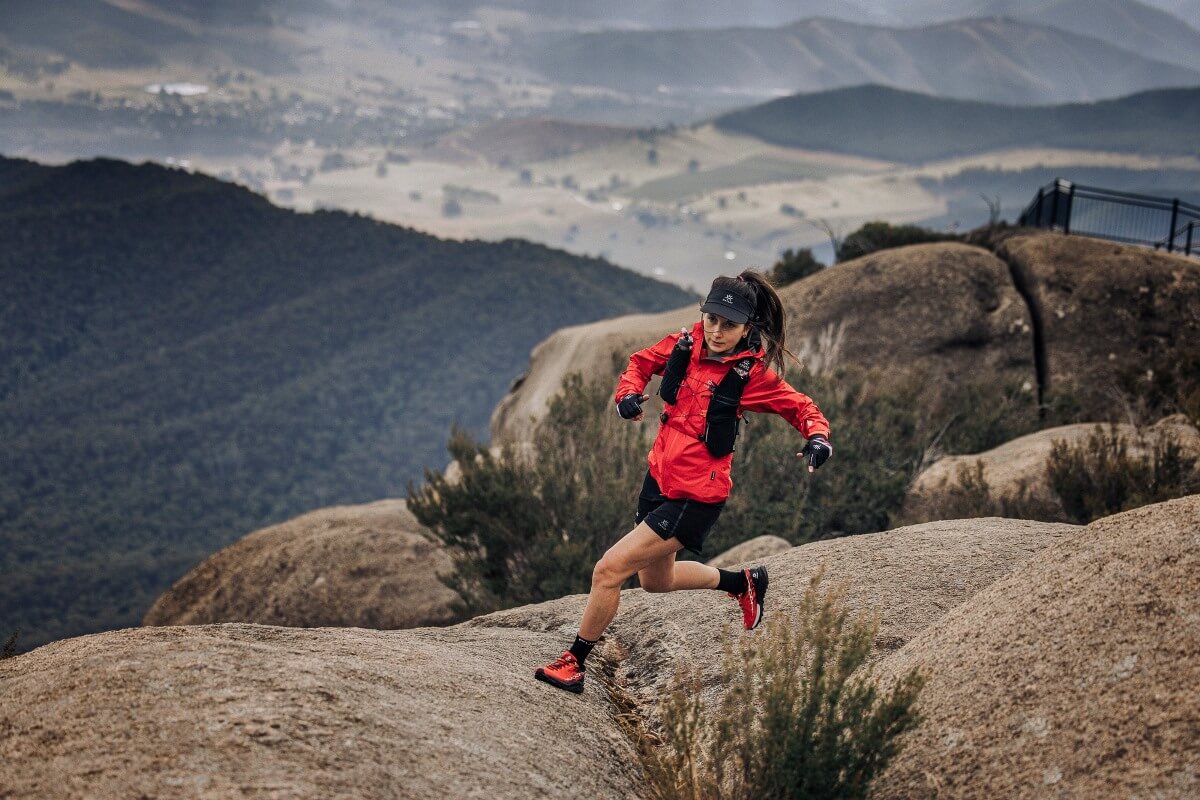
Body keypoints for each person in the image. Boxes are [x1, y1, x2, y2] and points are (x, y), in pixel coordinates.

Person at [534, 270, 833, 694]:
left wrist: (818, 437)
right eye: (711, 318)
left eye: (729, 324)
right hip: (658, 479)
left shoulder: (750, 377)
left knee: (609, 569)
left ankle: (574, 662)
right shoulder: (683, 345)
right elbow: (638, 364)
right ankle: (743, 582)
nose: (716, 330)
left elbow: (800, 406)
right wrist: (626, 397)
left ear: (747, 327)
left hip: (695, 496)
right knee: (655, 583)